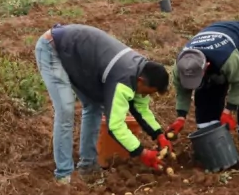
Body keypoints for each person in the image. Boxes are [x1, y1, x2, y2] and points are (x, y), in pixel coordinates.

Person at [34, 23, 172, 184]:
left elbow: (140, 108)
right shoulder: (124, 78)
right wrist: (142, 153)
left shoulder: (141, 71)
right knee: (65, 110)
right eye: (147, 92)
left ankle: (88, 167)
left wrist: (159, 135)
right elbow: (116, 126)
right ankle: (63, 176)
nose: (144, 96)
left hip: (78, 57)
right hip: (53, 48)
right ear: (141, 81)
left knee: (94, 105)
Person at [167, 21, 239, 172]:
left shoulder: (227, 58)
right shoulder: (181, 66)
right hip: (214, 53)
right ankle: (214, 152)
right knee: (205, 99)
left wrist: (229, 109)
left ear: (205, 67)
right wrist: (181, 116)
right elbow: (182, 90)